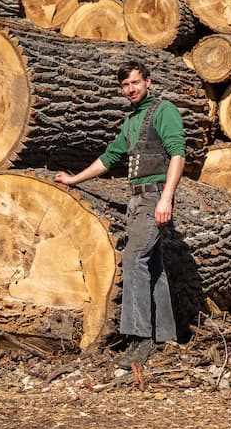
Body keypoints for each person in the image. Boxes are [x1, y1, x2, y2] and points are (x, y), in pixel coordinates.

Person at [54, 59, 186, 367]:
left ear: (148, 82)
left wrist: (166, 198)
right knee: (152, 265)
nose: (131, 89)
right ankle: (166, 336)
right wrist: (73, 179)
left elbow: (178, 154)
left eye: (136, 83)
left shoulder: (164, 111)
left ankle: (139, 339)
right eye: (125, 85)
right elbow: (109, 157)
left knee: (133, 258)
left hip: (154, 195)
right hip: (136, 200)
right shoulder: (131, 120)